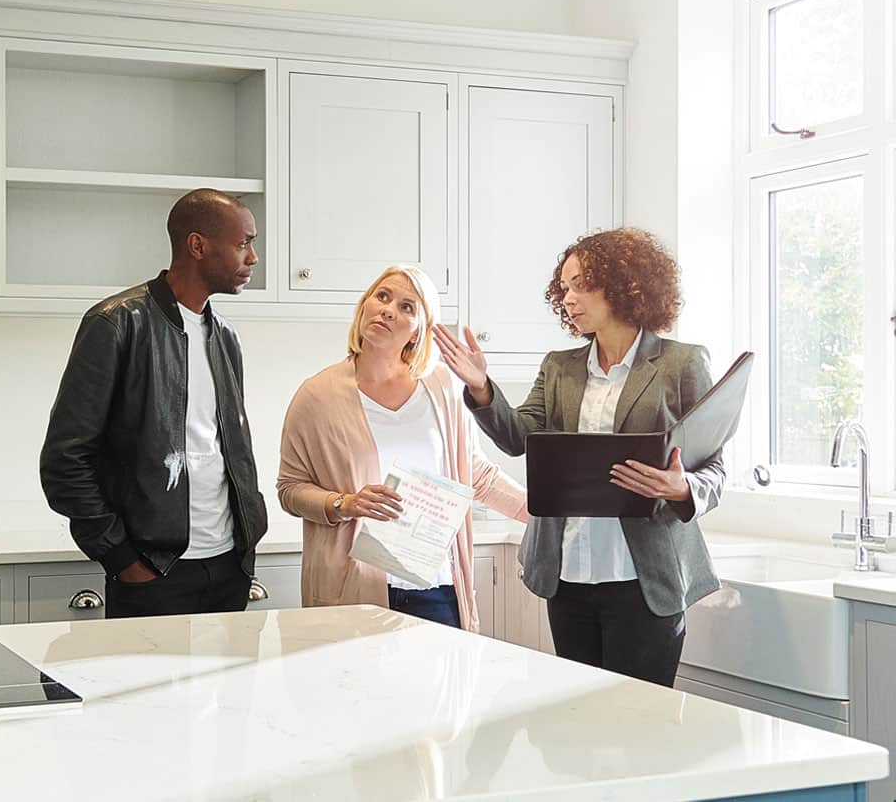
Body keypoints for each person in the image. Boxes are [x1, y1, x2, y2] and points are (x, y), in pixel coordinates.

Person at [433, 228, 724, 686]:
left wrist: (682, 486)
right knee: (577, 725)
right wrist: (480, 389)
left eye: (581, 284)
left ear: (626, 283)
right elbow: (518, 437)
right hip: (566, 575)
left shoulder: (681, 364)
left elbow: (713, 468)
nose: (568, 298)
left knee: (639, 725)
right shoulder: (559, 367)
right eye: (564, 287)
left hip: (644, 579)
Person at [40, 188, 269, 619]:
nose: (253, 257)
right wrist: (121, 558)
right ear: (197, 245)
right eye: (244, 243)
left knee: (231, 689)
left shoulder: (225, 338)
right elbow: (64, 461)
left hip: (229, 566)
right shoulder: (116, 323)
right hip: (153, 572)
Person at [277, 265, 528, 631]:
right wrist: (344, 504)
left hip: (436, 587)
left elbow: (478, 476)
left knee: (444, 688)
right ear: (364, 305)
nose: (389, 309)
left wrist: (548, 514)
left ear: (419, 331)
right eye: (382, 297)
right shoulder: (317, 395)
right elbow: (290, 489)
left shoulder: (442, 388)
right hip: (354, 588)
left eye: (408, 307)